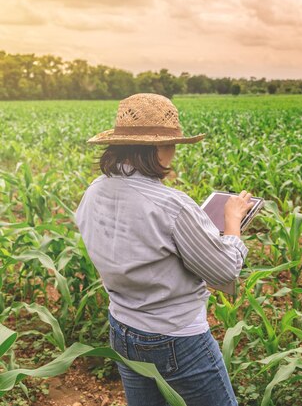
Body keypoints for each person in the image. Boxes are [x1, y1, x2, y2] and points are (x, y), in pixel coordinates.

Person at [75, 93, 253, 406]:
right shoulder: (171, 205)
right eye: (172, 145)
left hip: (122, 328)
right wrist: (233, 221)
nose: (173, 154)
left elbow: (131, 242)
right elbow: (225, 271)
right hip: (177, 336)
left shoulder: (95, 190)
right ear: (156, 148)